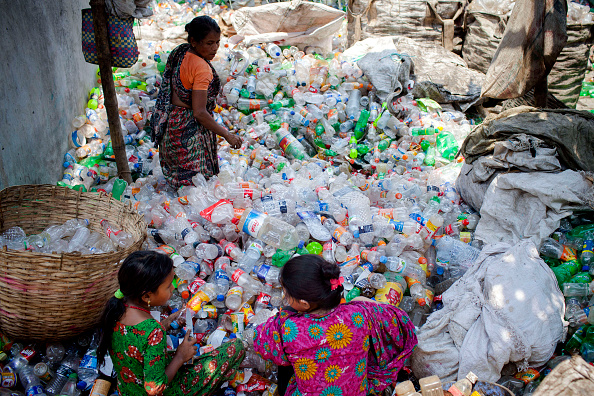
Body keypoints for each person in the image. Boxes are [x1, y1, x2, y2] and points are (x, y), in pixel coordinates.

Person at [253, 255, 417, 396]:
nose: (285, 297)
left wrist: (282, 316)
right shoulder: (360, 314)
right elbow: (399, 318)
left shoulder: (287, 329)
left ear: (304, 304)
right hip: (356, 392)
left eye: (287, 293)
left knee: (283, 356)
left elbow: (261, 344)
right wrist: (362, 302)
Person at [97, 251, 245, 396]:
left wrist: (168, 321)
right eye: (168, 286)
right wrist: (180, 356)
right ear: (147, 295)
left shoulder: (116, 309)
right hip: (163, 390)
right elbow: (154, 389)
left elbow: (137, 340)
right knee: (235, 347)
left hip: (130, 389)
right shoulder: (153, 332)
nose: (173, 288)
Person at [151, 16, 242, 189]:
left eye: (217, 42)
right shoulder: (202, 68)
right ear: (194, 41)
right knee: (195, 186)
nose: (215, 48)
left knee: (180, 184)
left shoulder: (181, 52)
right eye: (209, 43)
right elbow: (199, 112)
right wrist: (227, 135)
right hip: (188, 130)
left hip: (172, 124)